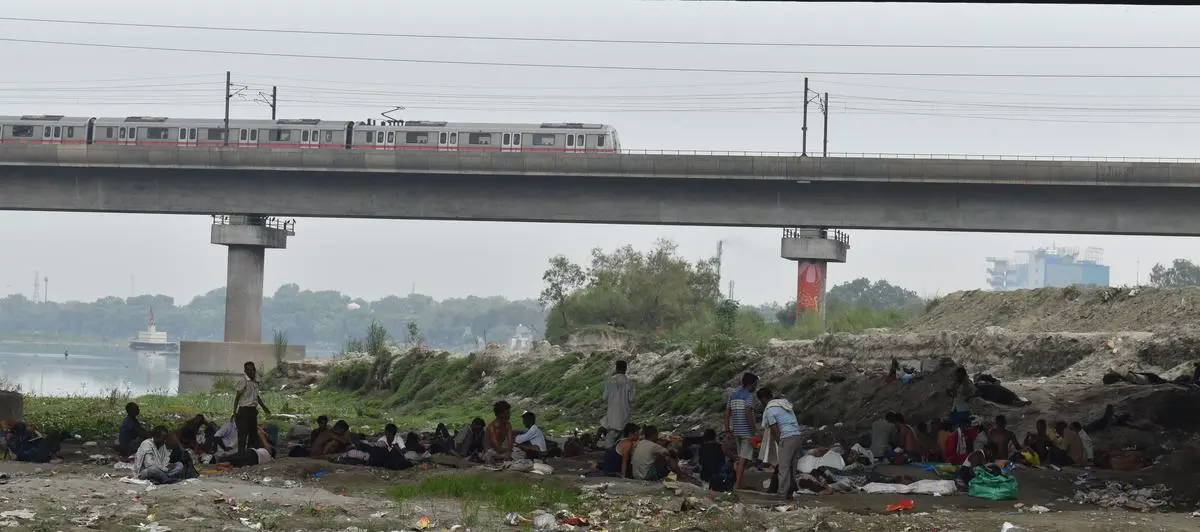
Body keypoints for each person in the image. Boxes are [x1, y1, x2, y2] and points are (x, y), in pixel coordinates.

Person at [757, 386, 803, 500]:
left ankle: (782, 494)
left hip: (786, 437)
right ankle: (791, 492)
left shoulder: (770, 409)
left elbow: (774, 429)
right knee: (793, 467)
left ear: (762, 399)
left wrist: (780, 442)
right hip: (797, 435)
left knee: (783, 468)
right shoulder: (784, 403)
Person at [724, 372, 758, 490]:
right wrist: (754, 429)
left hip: (736, 431)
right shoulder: (748, 396)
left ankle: (737, 481)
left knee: (741, 458)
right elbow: (748, 412)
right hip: (746, 432)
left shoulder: (733, 395)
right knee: (743, 460)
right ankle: (737, 485)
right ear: (751, 383)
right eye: (756, 384)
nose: (756, 387)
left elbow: (727, 413)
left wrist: (727, 430)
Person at [233, 362, 271, 454]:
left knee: (253, 435)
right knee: (243, 435)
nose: (252, 372)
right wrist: (234, 412)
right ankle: (241, 456)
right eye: (249, 370)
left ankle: (251, 454)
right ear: (245, 371)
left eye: (253, 369)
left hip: (252, 411)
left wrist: (264, 407)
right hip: (244, 410)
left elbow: (256, 397)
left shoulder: (255, 382)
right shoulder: (243, 381)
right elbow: (237, 397)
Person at [601, 360, 636, 449]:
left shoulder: (610, 382)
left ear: (616, 368)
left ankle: (609, 460)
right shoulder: (630, 383)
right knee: (622, 445)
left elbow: (604, 398)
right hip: (624, 418)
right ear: (626, 369)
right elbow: (632, 399)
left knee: (609, 445)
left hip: (612, 418)